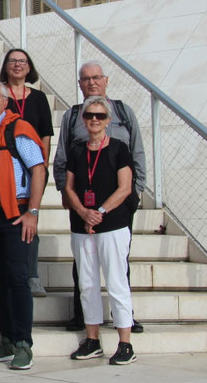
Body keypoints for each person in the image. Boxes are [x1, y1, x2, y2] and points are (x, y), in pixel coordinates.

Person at [54, 61, 146, 334]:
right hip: (82, 201)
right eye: (86, 79)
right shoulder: (73, 116)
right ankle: (82, 315)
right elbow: (62, 155)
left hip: (119, 200)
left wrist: (137, 190)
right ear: (80, 84)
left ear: (106, 80)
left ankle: (125, 316)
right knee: (83, 264)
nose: (91, 82)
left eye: (96, 77)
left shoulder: (123, 112)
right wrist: (64, 191)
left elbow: (137, 151)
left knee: (118, 262)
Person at [0, 81, 46, 371]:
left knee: (17, 279)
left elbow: (38, 169)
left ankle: (24, 343)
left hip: (16, 213)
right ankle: (7, 339)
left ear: (5, 101)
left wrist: (33, 213)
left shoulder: (19, 128)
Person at [64, 96, 138, 366]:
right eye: (89, 115)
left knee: (116, 282)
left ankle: (125, 343)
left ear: (108, 120)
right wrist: (84, 212)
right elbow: (69, 187)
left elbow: (125, 187)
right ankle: (92, 339)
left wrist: (100, 212)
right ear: (83, 120)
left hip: (112, 224)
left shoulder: (119, 148)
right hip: (82, 225)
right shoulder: (76, 150)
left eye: (100, 116)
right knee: (87, 283)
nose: (94, 120)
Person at [0, 49, 53, 297]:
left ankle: (31, 275)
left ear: (29, 66)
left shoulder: (38, 97)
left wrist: (41, 165)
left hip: (30, 164)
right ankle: (3, 276)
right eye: (12, 61)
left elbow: (45, 133)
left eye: (22, 61)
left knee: (30, 221)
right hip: (1, 169)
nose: (17, 65)